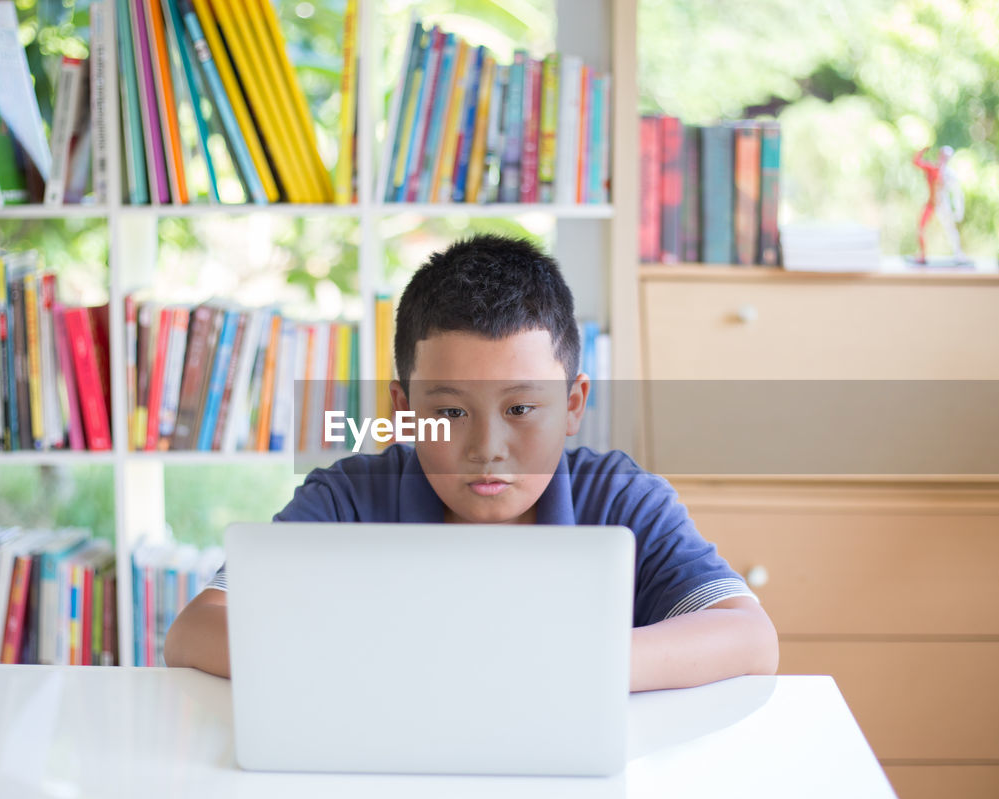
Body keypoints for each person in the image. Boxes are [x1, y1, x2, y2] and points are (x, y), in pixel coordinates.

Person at [164, 234, 779, 692]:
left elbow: (749, 636)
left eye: (519, 409)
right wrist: (390, 662)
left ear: (572, 405)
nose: (488, 447)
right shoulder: (349, 498)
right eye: (452, 413)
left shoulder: (621, 498)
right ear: (404, 409)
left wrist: (559, 665)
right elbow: (196, 628)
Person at [913, 145, 966, 263]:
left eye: (946, 157)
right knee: (921, 228)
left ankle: (958, 253)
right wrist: (922, 150)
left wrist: (958, 209)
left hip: (943, 204)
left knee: (950, 229)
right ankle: (922, 254)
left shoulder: (949, 174)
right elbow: (916, 162)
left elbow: (957, 193)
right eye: (942, 155)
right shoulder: (932, 169)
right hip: (931, 203)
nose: (943, 158)